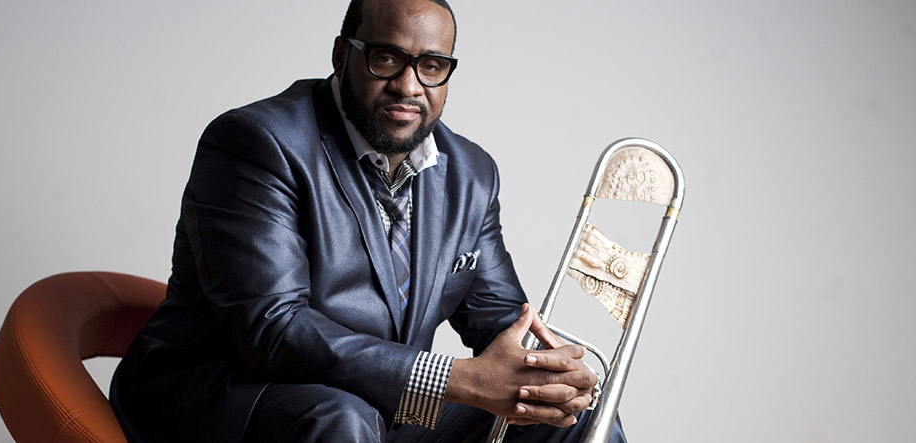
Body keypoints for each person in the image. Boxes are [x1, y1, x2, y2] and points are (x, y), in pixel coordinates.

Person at [110, 0, 627, 441]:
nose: (408, 85)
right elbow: (270, 328)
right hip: (222, 398)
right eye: (386, 59)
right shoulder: (258, 143)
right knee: (341, 418)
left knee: (574, 415)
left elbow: (502, 321)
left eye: (431, 66)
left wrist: (552, 375)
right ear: (342, 55)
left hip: (378, 411)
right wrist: (457, 380)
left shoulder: (471, 174)